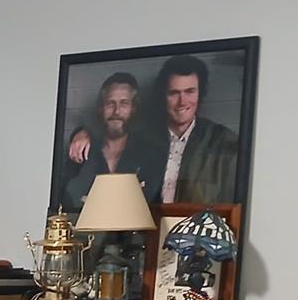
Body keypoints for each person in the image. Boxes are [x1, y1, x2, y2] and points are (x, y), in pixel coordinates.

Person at [67, 55, 240, 204]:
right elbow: (111, 134)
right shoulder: (143, 138)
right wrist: (83, 133)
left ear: (200, 94)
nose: (182, 102)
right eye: (174, 93)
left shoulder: (220, 140)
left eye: (189, 92)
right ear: (164, 95)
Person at [60, 72, 161, 209]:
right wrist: (81, 132)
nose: (116, 111)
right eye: (110, 103)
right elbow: (65, 201)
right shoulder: (83, 152)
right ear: (101, 108)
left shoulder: (149, 152)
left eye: (124, 103)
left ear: (133, 108)